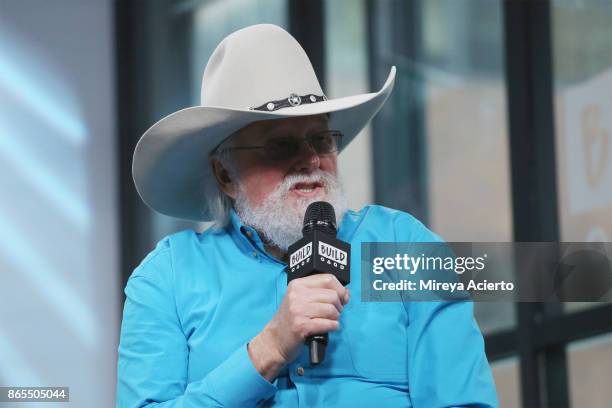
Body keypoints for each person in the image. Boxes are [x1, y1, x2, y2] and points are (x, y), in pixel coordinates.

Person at [117, 24, 499, 407]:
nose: (311, 160)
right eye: (279, 146)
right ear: (225, 175)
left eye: (320, 139)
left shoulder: (408, 247)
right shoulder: (168, 277)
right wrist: (268, 349)